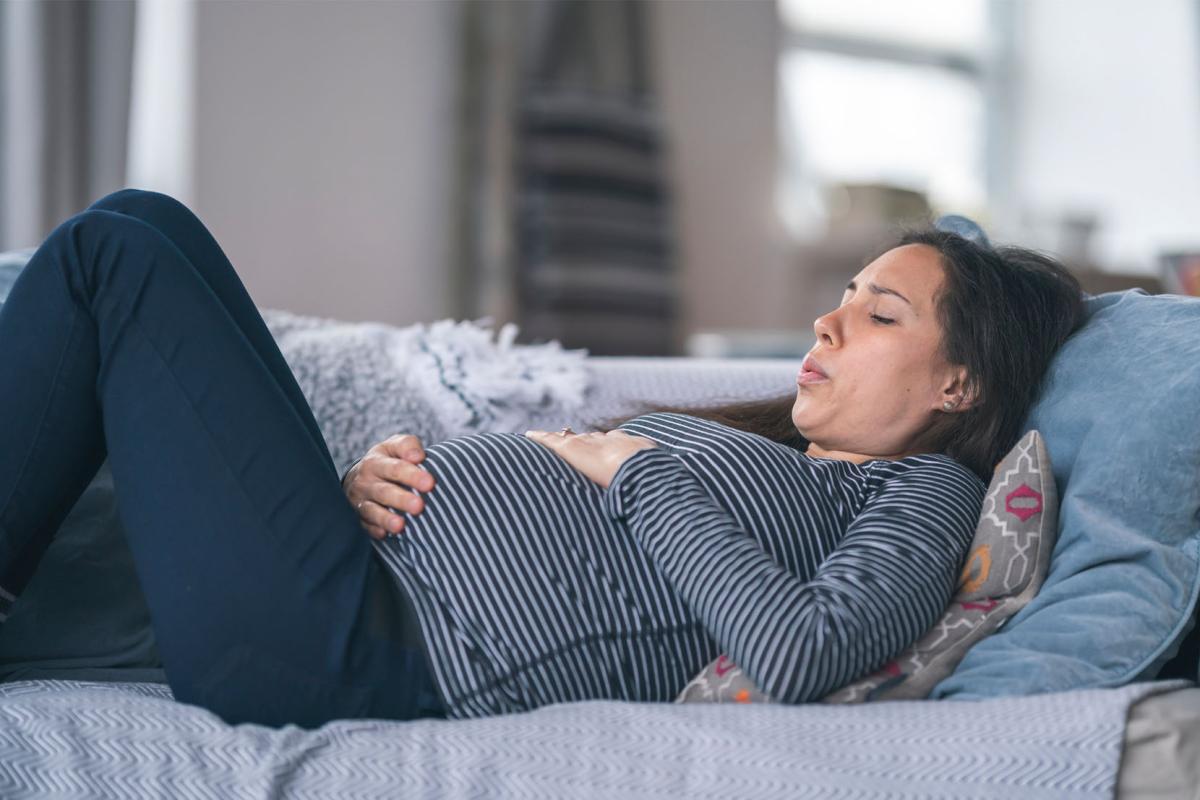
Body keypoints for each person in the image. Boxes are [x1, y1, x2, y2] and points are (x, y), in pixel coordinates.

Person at [0, 189, 1083, 729]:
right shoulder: (794, 464)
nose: (827, 322)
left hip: (358, 647)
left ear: (961, 385)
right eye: (840, 297)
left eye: (878, 313)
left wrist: (634, 471)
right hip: (342, 574)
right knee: (150, 232)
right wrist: (347, 489)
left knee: (123, 248)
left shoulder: (926, 490)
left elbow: (804, 651)